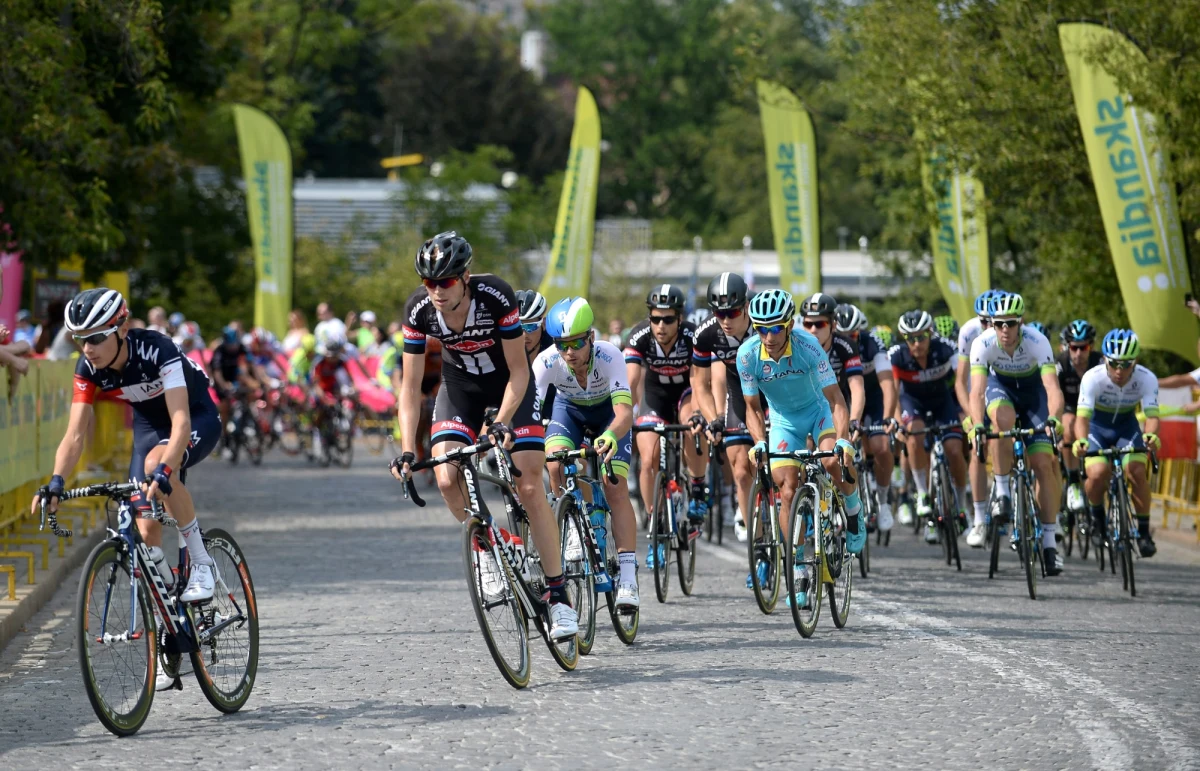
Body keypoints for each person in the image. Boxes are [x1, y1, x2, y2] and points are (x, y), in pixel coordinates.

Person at [31, 289, 220, 692]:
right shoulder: (88, 368)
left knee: (156, 467)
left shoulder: (156, 349)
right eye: (80, 338)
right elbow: (74, 435)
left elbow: (182, 422)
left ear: (120, 327)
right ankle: (170, 623)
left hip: (194, 416)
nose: (88, 347)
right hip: (150, 428)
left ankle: (202, 562)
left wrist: (168, 467)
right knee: (147, 531)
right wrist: (56, 482)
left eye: (96, 337)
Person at [390, 231, 576, 640]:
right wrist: (406, 449)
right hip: (460, 391)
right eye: (428, 282)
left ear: (465, 277)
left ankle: (559, 597)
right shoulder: (419, 310)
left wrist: (503, 420)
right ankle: (491, 551)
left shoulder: (495, 295)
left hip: (510, 385)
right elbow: (410, 385)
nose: (435, 290)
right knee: (445, 476)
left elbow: (520, 369)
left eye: (445, 281)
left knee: (529, 483)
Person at [736, 289, 864, 604]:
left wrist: (844, 439)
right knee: (787, 489)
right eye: (760, 328)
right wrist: (759, 443)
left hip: (819, 412)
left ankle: (853, 510)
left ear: (790, 324)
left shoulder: (809, 346)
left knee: (834, 462)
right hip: (783, 422)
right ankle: (796, 567)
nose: (768, 336)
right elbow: (752, 408)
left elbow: (836, 399)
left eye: (775, 328)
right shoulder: (747, 355)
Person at [536, 297, 640, 608]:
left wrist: (610, 436)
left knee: (615, 488)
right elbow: (530, 410)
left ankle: (629, 577)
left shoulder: (610, 356)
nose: (569, 352)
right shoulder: (545, 362)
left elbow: (625, 412)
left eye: (577, 343)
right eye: (562, 344)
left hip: (609, 416)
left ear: (591, 337)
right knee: (555, 463)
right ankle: (571, 526)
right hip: (569, 412)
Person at [968, 291, 1066, 574]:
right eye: (999, 324)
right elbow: (976, 391)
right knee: (1001, 421)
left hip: (1034, 395)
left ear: (1021, 322)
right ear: (992, 324)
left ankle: (1049, 544)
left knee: (1043, 464)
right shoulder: (982, 343)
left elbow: (1052, 388)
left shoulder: (1038, 341)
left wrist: (1054, 418)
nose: (1005, 330)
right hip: (1003, 391)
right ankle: (1002, 493)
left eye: (1011, 323)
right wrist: (977, 424)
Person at [625, 284, 709, 555]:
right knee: (648, 458)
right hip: (655, 397)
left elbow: (699, 380)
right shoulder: (639, 336)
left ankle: (697, 487)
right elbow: (630, 381)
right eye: (655, 318)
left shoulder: (692, 336)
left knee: (691, 426)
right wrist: (623, 413)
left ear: (680, 319)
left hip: (686, 393)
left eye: (668, 319)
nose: (661, 325)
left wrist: (698, 414)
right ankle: (656, 523)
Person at [1072, 329, 1159, 557]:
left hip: (1126, 428)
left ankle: (1143, 532)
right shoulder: (1093, 377)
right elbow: (1082, 418)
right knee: (1098, 472)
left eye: (1126, 364)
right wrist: (1081, 440)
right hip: (1096, 430)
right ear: (1105, 360)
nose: (1119, 371)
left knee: (1137, 471)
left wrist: (1150, 435)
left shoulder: (1146, 378)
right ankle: (1098, 518)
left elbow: (1152, 416)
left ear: (1135, 361)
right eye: (1114, 364)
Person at [891, 310, 968, 544]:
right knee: (913, 433)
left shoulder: (946, 348)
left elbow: (963, 382)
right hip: (912, 403)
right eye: (910, 338)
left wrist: (968, 414)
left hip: (942, 402)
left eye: (922, 336)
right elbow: (893, 394)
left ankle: (961, 505)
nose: (917, 343)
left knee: (955, 450)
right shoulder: (896, 355)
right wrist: (896, 423)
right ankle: (923, 494)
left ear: (930, 333)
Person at [691, 273, 754, 542]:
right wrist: (713, 417)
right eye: (719, 313)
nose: (726, 320)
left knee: (782, 469)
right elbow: (700, 382)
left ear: (746, 307)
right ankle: (758, 544)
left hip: (775, 390)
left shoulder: (764, 326)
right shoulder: (707, 333)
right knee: (740, 468)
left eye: (733, 312)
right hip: (738, 390)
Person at [837, 303, 898, 531]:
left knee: (881, 446)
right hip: (842, 397)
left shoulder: (873, 344)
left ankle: (883, 501)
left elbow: (887, 384)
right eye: (841, 334)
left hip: (871, 398)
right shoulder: (828, 344)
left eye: (852, 335)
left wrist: (888, 417)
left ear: (860, 331)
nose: (847, 339)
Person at [955, 289, 1003, 544]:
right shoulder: (969, 332)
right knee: (977, 447)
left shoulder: (1009, 328)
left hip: (1006, 388)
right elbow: (961, 382)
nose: (987, 326)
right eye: (983, 321)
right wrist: (970, 417)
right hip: (979, 390)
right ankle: (979, 519)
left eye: (991, 321)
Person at [1055, 320, 1102, 522]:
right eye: (1074, 347)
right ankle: (1073, 481)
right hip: (1068, 406)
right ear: (1068, 346)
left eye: (1084, 347)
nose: (1078, 353)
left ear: (1091, 346)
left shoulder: (1100, 362)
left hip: (1093, 410)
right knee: (1068, 426)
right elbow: (1052, 394)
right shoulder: (1061, 363)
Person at [516, 290, 552, 362]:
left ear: (543, 324)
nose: (524, 335)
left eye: (530, 326)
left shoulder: (556, 349)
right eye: (518, 328)